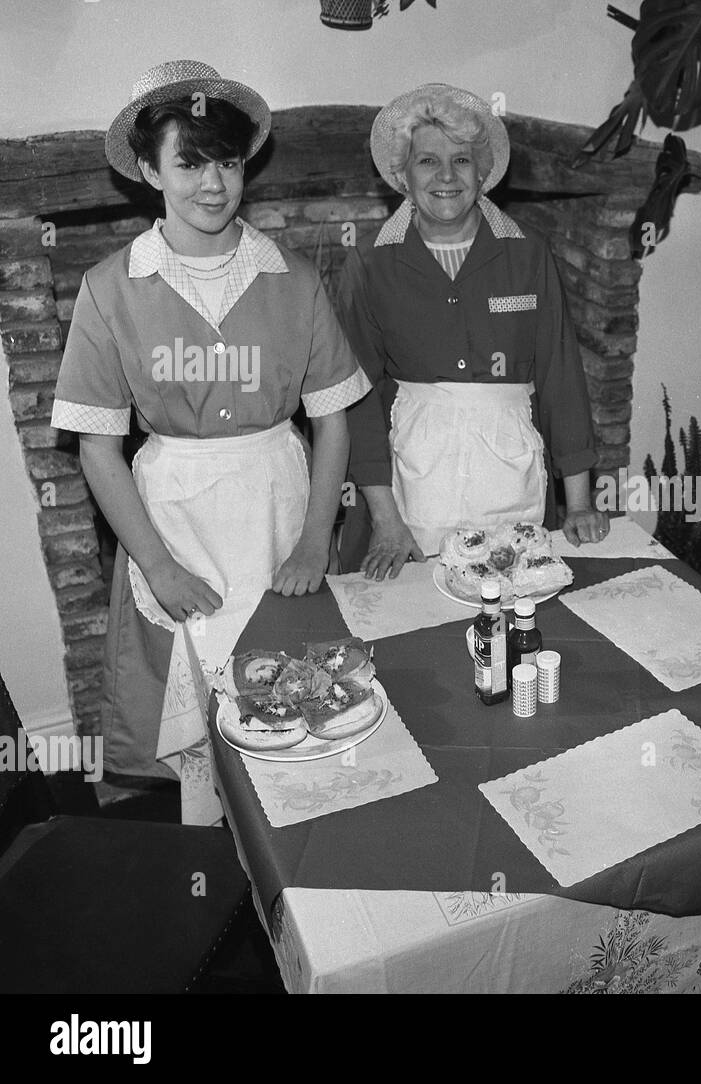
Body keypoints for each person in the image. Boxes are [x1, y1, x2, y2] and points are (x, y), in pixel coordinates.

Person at [51, 61, 370, 780]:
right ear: (147, 169)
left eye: (227, 161)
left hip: (278, 510)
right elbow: (98, 451)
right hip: (174, 521)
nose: (213, 183)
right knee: (196, 712)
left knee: (302, 695)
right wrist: (157, 565)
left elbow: (334, 423)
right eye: (189, 163)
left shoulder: (294, 278)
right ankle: (217, 863)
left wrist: (315, 542)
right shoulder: (110, 289)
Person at [337, 83, 608, 580]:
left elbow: (560, 377)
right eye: (427, 161)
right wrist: (384, 518)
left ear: (483, 173)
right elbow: (356, 398)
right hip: (412, 478)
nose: (446, 176)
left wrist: (580, 503)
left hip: (509, 471)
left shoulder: (528, 255)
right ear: (402, 174)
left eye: (461, 161)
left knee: (511, 606)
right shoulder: (370, 264)